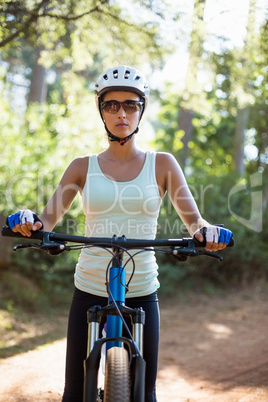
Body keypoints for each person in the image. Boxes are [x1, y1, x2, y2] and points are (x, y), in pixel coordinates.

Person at [7, 65, 233, 402]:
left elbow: (195, 223)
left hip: (142, 288)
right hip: (89, 287)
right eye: (111, 105)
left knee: (147, 393)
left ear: (141, 110)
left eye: (130, 105)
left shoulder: (163, 164)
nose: (121, 113)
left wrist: (206, 232)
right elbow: (46, 222)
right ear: (101, 111)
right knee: (73, 393)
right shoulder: (82, 167)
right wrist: (28, 221)